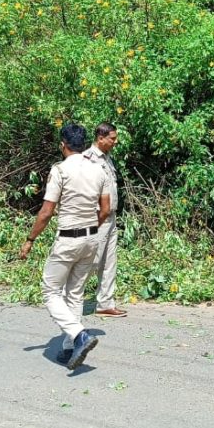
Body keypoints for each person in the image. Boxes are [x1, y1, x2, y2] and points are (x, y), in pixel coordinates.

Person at [19, 124, 112, 370]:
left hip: (68, 239)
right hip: (92, 238)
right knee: (75, 293)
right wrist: (91, 227)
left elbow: (46, 211)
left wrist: (30, 239)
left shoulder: (60, 170)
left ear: (63, 145)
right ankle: (70, 348)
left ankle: (79, 334)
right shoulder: (99, 170)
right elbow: (105, 210)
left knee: (50, 291)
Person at [84, 122, 127, 317]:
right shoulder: (88, 159)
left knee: (109, 262)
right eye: (112, 138)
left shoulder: (107, 158)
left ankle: (105, 304)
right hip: (97, 216)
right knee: (92, 259)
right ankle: (69, 296)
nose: (115, 142)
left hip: (110, 216)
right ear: (100, 138)